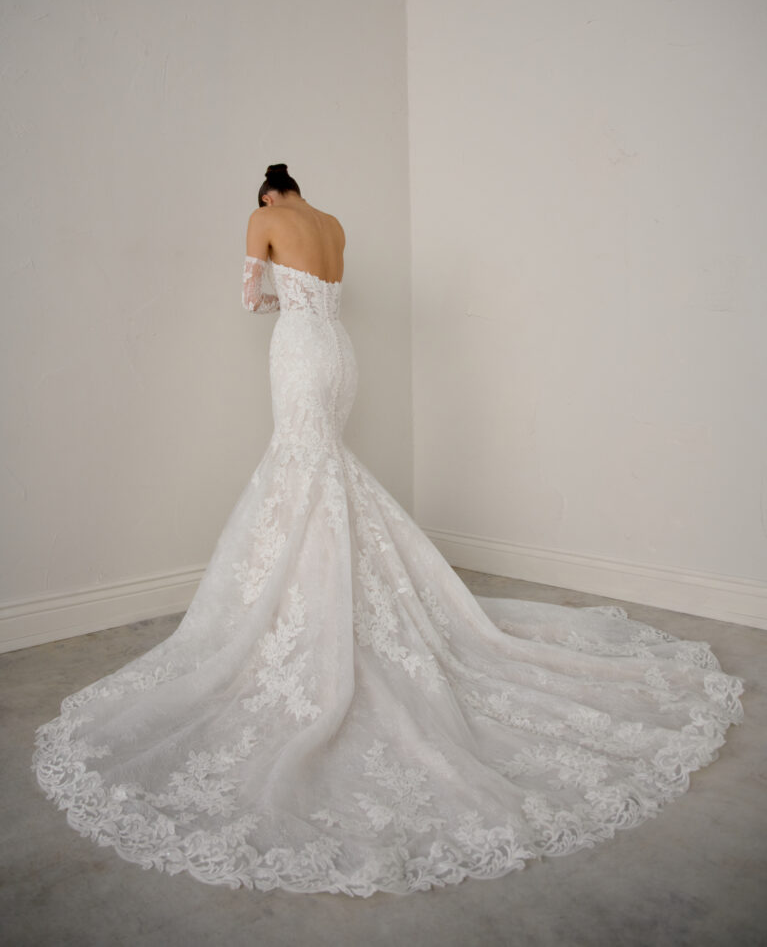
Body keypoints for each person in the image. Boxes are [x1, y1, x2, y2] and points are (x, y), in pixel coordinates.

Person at [32, 164, 744, 897]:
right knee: (322, 467)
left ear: (268, 195)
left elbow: (251, 299)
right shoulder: (334, 224)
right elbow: (329, 290)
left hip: (299, 349)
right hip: (340, 353)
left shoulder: (264, 219)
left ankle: (304, 599)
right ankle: (328, 589)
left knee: (301, 466)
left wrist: (276, 295)